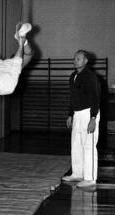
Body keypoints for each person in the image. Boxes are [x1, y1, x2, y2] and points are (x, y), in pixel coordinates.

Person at [62, 50, 100, 187]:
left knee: (88, 145)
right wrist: (70, 115)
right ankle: (77, 174)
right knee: (76, 144)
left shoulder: (90, 77)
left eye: (78, 58)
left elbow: (96, 97)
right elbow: (73, 98)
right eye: (74, 58)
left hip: (89, 113)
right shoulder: (73, 76)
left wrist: (93, 118)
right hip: (77, 114)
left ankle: (90, 178)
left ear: (85, 61)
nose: (75, 61)